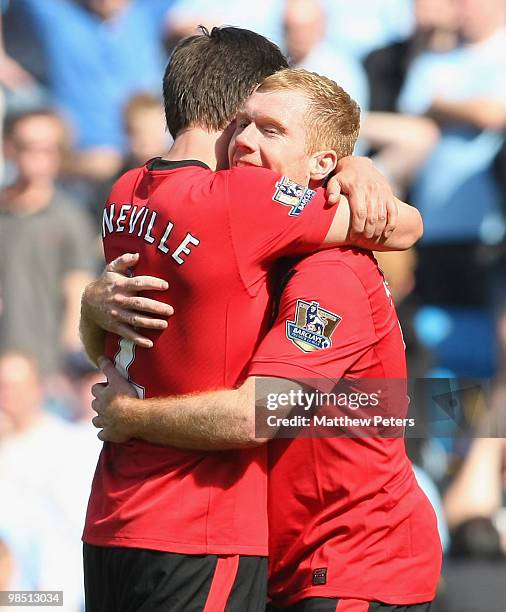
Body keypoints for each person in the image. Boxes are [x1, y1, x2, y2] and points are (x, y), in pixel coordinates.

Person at [80, 28, 422, 611]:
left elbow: (256, 415)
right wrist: (357, 174)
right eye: (246, 124)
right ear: (229, 112)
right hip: (211, 529)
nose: (245, 144)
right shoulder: (245, 205)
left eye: (269, 130)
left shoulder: (126, 189)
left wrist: (127, 406)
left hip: (338, 557)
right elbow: (403, 227)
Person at [0, 109, 96, 375]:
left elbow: (77, 294)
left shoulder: (70, 219)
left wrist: (65, 365)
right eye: (28, 148)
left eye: (47, 150)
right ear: (10, 148)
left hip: (45, 369)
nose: (37, 159)